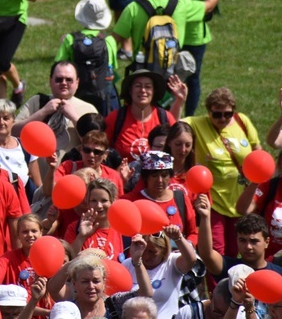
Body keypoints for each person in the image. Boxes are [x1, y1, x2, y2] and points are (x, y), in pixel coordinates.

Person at [112, 0, 236, 72]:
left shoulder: (133, 8)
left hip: (142, 74)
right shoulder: (181, 6)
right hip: (170, 73)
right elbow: (209, 5)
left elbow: (114, 39)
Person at [185, 87, 262, 257]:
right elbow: (174, 126)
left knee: (236, 250)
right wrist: (179, 100)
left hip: (241, 200)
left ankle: (232, 283)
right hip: (214, 202)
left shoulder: (242, 121)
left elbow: (258, 151)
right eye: (217, 114)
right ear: (208, 112)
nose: (223, 118)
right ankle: (217, 285)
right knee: (216, 251)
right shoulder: (197, 123)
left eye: (228, 114)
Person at [162, 0, 214, 117]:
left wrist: (191, 10)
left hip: (194, 37)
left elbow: (209, 7)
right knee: (173, 76)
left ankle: (190, 114)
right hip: (175, 36)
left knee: (191, 77)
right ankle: (172, 111)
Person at [13, 61, 98, 159]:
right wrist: (43, 112)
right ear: (50, 81)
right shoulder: (37, 101)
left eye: (69, 80)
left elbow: (97, 145)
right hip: (37, 171)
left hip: (72, 170)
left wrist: (75, 118)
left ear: (77, 82)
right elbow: (13, 132)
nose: (64, 83)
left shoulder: (88, 109)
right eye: (59, 79)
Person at [47, 244, 152, 319]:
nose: (91, 286)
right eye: (85, 281)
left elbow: (146, 294)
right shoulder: (69, 307)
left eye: (96, 281)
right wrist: (75, 262)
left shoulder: (114, 303)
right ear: (74, 283)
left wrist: (137, 261)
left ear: (104, 282)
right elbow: (53, 289)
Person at [54, 0, 119, 116]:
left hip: (78, 93)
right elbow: (111, 67)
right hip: (103, 94)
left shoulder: (70, 39)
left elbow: (59, 66)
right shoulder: (109, 41)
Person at [196, 199, 282, 281]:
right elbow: (207, 254)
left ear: (266, 242)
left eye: (254, 241)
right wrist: (205, 217)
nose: (248, 247)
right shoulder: (229, 268)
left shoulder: (278, 274)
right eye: (242, 240)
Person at [104, 69, 179, 162]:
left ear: (154, 91)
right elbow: (101, 149)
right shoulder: (115, 118)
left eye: (148, 87)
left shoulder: (165, 118)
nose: (143, 90)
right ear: (130, 90)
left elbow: (177, 149)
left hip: (158, 175)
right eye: (138, 86)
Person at [121, 226, 196, 318]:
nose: (146, 256)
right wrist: (136, 260)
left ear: (163, 251)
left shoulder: (171, 262)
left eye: (152, 252)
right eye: (143, 250)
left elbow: (191, 259)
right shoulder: (127, 264)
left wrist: (178, 238)